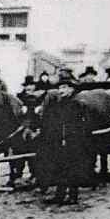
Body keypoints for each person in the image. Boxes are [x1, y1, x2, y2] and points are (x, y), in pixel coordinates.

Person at [36, 72, 92, 206]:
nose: (61, 90)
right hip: (61, 141)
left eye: (64, 88)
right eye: (60, 88)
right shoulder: (60, 103)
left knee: (72, 169)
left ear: (71, 89)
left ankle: (73, 196)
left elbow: (83, 124)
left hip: (74, 142)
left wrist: (74, 138)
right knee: (61, 168)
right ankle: (59, 195)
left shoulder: (77, 103)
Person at [11, 76, 41, 189]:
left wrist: (37, 129)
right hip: (20, 131)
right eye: (27, 87)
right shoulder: (19, 99)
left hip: (35, 131)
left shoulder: (40, 99)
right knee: (19, 155)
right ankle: (17, 176)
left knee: (34, 155)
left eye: (31, 86)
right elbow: (16, 115)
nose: (29, 88)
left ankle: (35, 176)